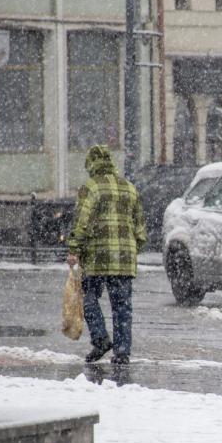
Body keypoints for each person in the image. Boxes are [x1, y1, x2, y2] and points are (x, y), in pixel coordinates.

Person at [67, 145, 147, 365]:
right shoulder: (129, 188)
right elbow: (140, 229)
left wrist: (74, 248)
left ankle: (101, 338)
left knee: (89, 297)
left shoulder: (90, 188)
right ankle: (122, 352)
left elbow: (81, 222)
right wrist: (130, 250)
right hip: (124, 259)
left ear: (91, 164)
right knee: (122, 306)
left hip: (97, 256)